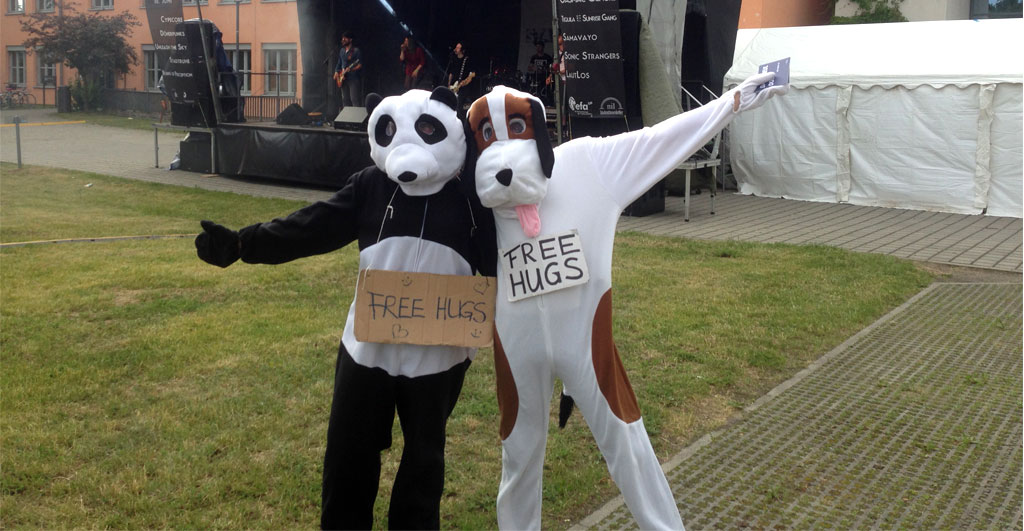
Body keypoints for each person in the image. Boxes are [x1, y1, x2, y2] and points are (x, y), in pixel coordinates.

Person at [334, 31, 363, 109]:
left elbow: (360, 65)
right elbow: (339, 63)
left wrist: (352, 69)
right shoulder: (342, 51)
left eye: (345, 38)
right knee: (344, 100)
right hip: (343, 78)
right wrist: (336, 71)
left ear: (350, 39)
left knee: (354, 99)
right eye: (342, 38)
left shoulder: (356, 51)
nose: (343, 40)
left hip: (353, 78)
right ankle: (346, 116)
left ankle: (356, 116)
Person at [445, 42, 475, 110]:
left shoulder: (467, 60)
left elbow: (472, 74)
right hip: (453, 86)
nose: (455, 49)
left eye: (458, 48)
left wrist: (465, 82)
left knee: (458, 104)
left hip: (463, 87)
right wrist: (449, 84)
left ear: (462, 50)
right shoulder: (453, 59)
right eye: (456, 47)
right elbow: (451, 73)